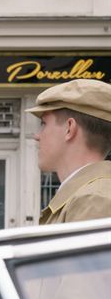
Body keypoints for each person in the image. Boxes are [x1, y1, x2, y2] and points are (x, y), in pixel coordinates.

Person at [27, 79, 111, 224]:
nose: (37, 136)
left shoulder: (93, 200)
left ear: (69, 128)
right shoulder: (88, 196)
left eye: (44, 124)